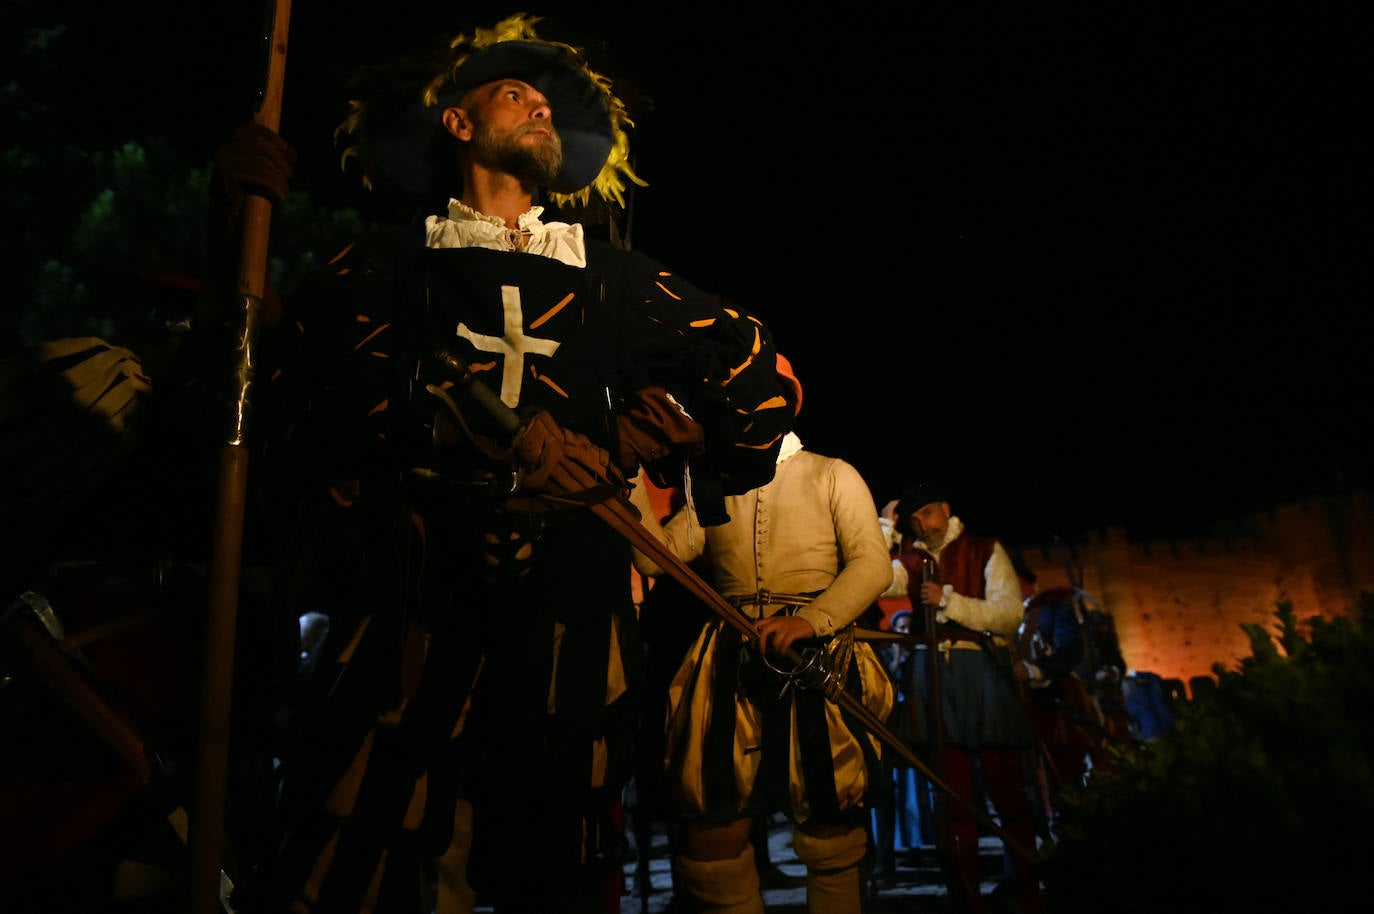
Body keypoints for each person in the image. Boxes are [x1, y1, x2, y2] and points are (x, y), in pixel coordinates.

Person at [252, 13, 799, 914]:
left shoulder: (613, 278)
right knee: (380, 848)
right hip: (415, 598)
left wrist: (661, 434)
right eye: (517, 95)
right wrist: (229, 229)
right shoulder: (385, 265)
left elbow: (760, 375)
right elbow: (293, 393)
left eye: (548, 103)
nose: (541, 108)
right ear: (459, 125)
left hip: (572, 601)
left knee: (563, 856)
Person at [627, 431, 894, 914]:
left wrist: (810, 620)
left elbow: (873, 564)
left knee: (830, 820)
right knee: (712, 825)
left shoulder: (833, 472)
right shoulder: (713, 484)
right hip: (728, 655)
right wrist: (628, 474)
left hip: (817, 655)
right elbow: (654, 555)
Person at [886, 481, 1044, 914]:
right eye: (914, 519)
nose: (922, 524)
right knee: (953, 798)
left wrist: (948, 602)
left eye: (928, 514)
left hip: (980, 672)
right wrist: (885, 523)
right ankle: (967, 898)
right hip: (932, 678)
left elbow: (1009, 614)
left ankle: (1029, 891)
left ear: (946, 510)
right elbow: (876, 579)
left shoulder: (985, 549)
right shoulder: (911, 560)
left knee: (1006, 789)